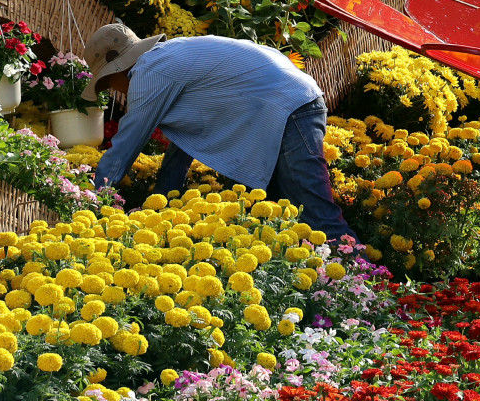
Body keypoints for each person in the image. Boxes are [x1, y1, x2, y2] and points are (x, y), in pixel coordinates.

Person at [88, 24, 352, 240]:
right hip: (291, 105)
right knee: (282, 219)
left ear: (117, 69)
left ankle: (365, 281)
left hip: (288, 108)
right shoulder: (168, 59)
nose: (114, 90)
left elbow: (126, 146)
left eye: (108, 83)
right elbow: (182, 149)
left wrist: (91, 198)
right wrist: (160, 205)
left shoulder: (150, 71)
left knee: (316, 216)